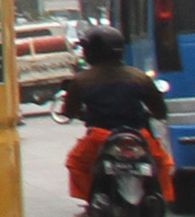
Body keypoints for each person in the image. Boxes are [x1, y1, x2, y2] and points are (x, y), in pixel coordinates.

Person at [57, 26, 175, 206]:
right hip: (139, 136)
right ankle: (162, 198)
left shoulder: (81, 80)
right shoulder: (139, 77)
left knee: (76, 163)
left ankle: (92, 201)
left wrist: (80, 114)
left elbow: (69, 111)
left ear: (91, 51)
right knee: (163, 163)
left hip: (99, 136)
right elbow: (160, 110)